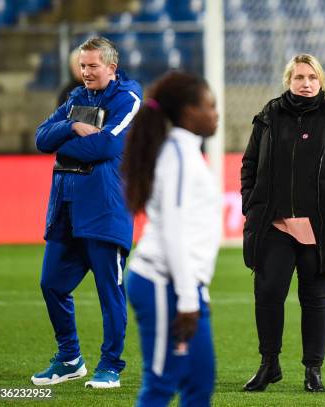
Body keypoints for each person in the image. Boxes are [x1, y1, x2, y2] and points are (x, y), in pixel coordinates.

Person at [241, 53, 325, 392]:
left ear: (321, 80)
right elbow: (250, 162)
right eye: (299, 78)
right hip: (274, 226)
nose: (306, 83)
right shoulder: (269, 114)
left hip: (319, 228)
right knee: (267, 294)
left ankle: (313, 371)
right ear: (288, 81)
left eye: (312, 77)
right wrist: (250, 203)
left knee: (316, 300)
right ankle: (269, 364)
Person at [31, 37, 142, 388]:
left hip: (104, 208)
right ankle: (69, 358)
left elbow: (108, 145)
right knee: (51, 284)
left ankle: (110, 365)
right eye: (82, 66)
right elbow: (40, 138)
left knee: (110, 293)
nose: (86, 72)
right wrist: (71, 127)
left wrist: (62, 144)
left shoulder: (128, 98)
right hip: (66, 206)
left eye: (93, 65)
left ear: (111, 66)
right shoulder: (76, 98)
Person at [123, 71, 220, 407]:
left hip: (184, 287)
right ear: (189, 112)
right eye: (210, 105)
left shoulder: (188, 153)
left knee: (200, 381)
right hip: (163, 284)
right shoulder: (177, 156)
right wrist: (187, 298)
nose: (215, 113)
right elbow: (174, 229)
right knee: (162, 384)